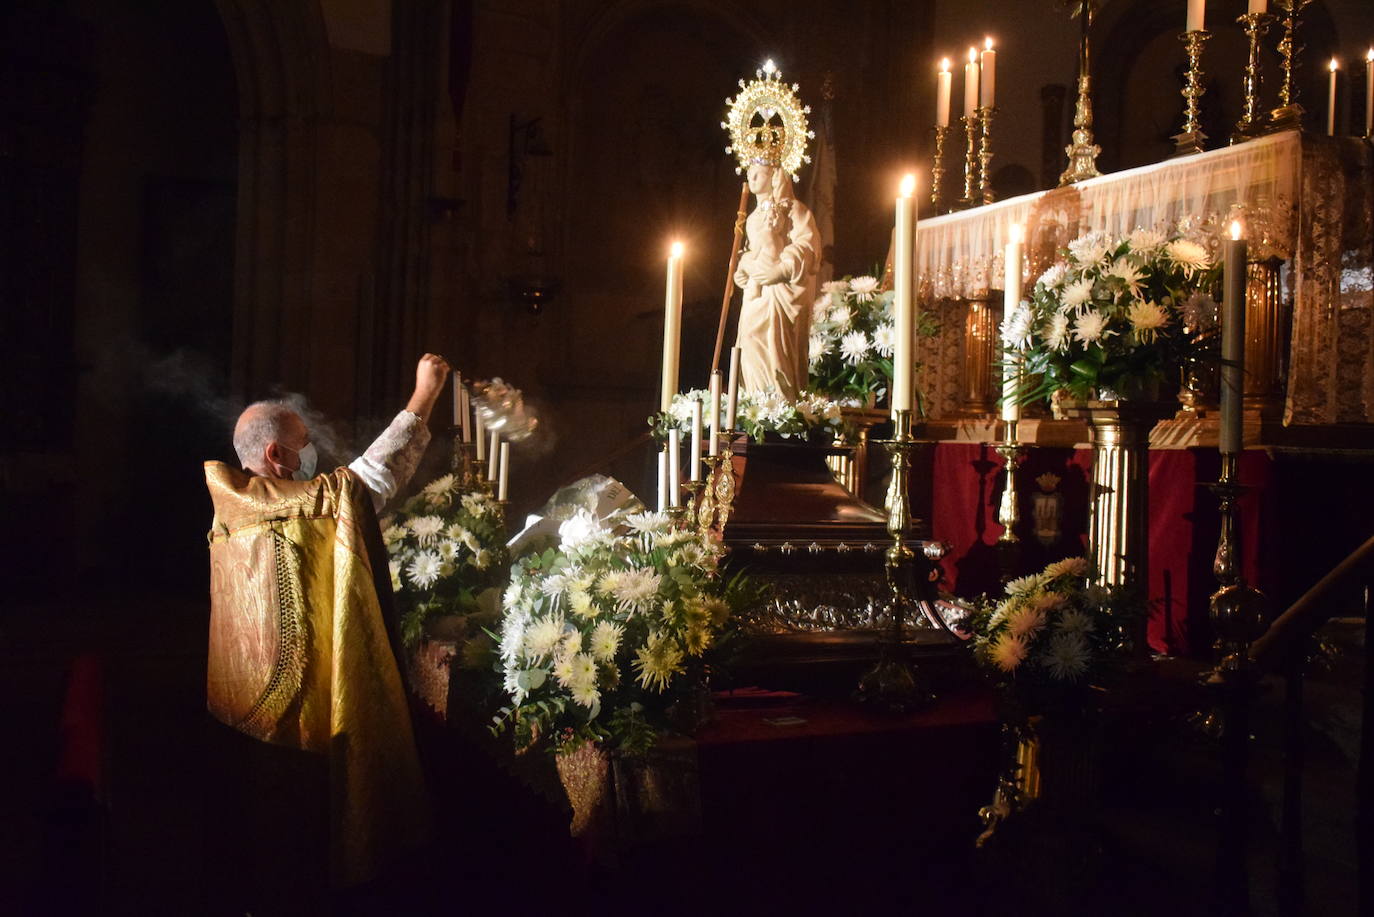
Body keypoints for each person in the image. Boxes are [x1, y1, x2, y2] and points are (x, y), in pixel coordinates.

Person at [202, 353, 450, 910]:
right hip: (292, 718)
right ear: (275, 454)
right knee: (294, 852)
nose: (311, 450)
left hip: (241, 704)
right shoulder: (284, 506)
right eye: (303, 441)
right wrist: (423, 397)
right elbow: (365, 486)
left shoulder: (234, 505)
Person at [733, 160, 820, 399]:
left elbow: (808, 248)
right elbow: (753, 251)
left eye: (758, 174)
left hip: (780, 295)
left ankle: (779, 401)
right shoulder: (751, 218)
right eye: (749, 173)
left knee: (775, 345)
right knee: (749, 339)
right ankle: (756, 399)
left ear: (774, 177)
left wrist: (781, 269)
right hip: (756, 291)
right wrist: (742, 269)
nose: (751, 178)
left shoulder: (795, 210)